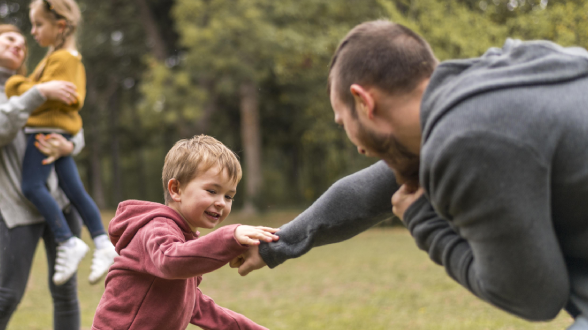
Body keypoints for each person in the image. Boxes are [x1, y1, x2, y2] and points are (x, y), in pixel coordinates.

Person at [233, 20, 588, 329]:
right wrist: (275, 246)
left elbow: (535, 296)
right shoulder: (499, 80)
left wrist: (425, 223)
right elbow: (371, 190)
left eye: (344, 123)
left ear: (363, 102)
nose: (358, 146)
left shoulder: (468, 140)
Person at [0, 24, 85, 330]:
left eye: (24, 43)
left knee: (66, 295)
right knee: (8, 295)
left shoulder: (31, 84)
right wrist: (37, 94)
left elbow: (72, 124)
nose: (20, 45)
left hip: (60, 201)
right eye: (10, 39)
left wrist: (70, 144)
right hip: (16, 206)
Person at [92, 135, 277, 330]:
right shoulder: (157, 228)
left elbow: (194, 306)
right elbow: (171, 260)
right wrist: (230, 236)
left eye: (229, 196)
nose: (222, 202)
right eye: (212, 191)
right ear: (176, 189)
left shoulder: (182, 239)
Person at [5, 0, 116, 286]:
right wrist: (34, 88)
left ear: (61, 26)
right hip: (58, 133)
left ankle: (67, 241)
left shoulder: (63, 60)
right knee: (74, 190)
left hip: (44, 132)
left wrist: (18, 86)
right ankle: (103, 244)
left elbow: (47, 95)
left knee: (31, 186)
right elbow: (41, 91)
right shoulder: (57, 58)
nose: (33, 31)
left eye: (39, 24)